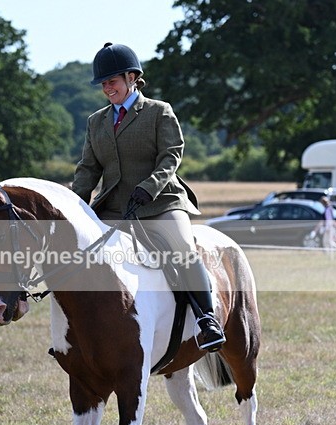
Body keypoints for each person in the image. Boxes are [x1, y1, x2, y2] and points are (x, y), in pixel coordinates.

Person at [72, 42, 226, 352]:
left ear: (132, 77)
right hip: (115, 206)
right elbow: (88, 168)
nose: (106, 88)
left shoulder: (158, 111)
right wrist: (75, 206)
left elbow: (171, 156)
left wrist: (151, 186)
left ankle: (207, 319)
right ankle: (78, 333)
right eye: (103, 83)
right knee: (80, 253)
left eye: (112, 81)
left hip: (160, 201)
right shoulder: (96, 122)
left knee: (182, 248)